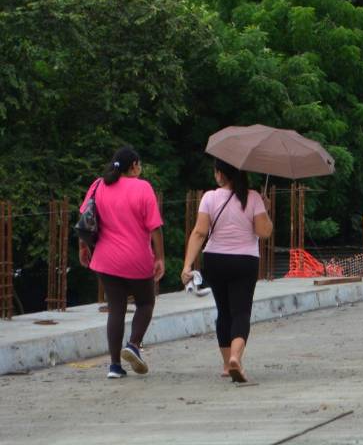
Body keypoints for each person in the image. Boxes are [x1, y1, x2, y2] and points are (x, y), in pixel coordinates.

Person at [181, 159, 273, 383]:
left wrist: (187, 265)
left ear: (220, 174)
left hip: (215, 260)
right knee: (241, 312)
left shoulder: (209, 197)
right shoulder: (253, 197)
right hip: (245, 260)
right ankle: (235, 357)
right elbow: (264, 232)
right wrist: (265, 210)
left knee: (224, 312)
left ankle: (226, 364)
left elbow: (199, 232)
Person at [77, 146, 165, 379]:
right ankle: (133, 345)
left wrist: (83, 247)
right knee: (145, 303)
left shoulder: (98, 185)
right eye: (140, 164)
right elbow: (155, 227)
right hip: (137, 259)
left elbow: (85, 218)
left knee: (116, 309)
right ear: (134, 165)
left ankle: (115, 366)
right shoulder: (143, 187)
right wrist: (160, 257)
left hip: (105, 259)